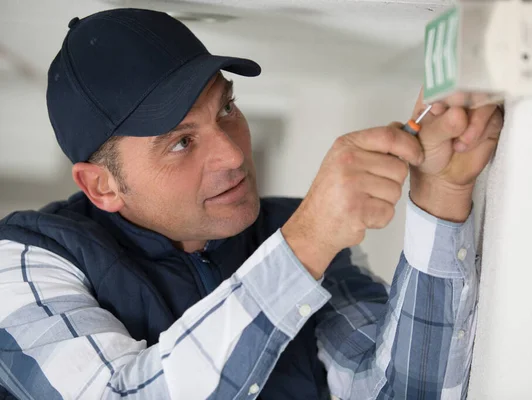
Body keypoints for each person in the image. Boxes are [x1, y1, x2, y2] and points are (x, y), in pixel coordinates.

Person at [0, 8, 502, 400]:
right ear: (101, 186)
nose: (236, 153)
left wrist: (440, 195)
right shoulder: (25, 262)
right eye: (181, 142)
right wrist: (304, 243)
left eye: (228, 109)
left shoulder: (284, 229)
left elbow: (397, 391)